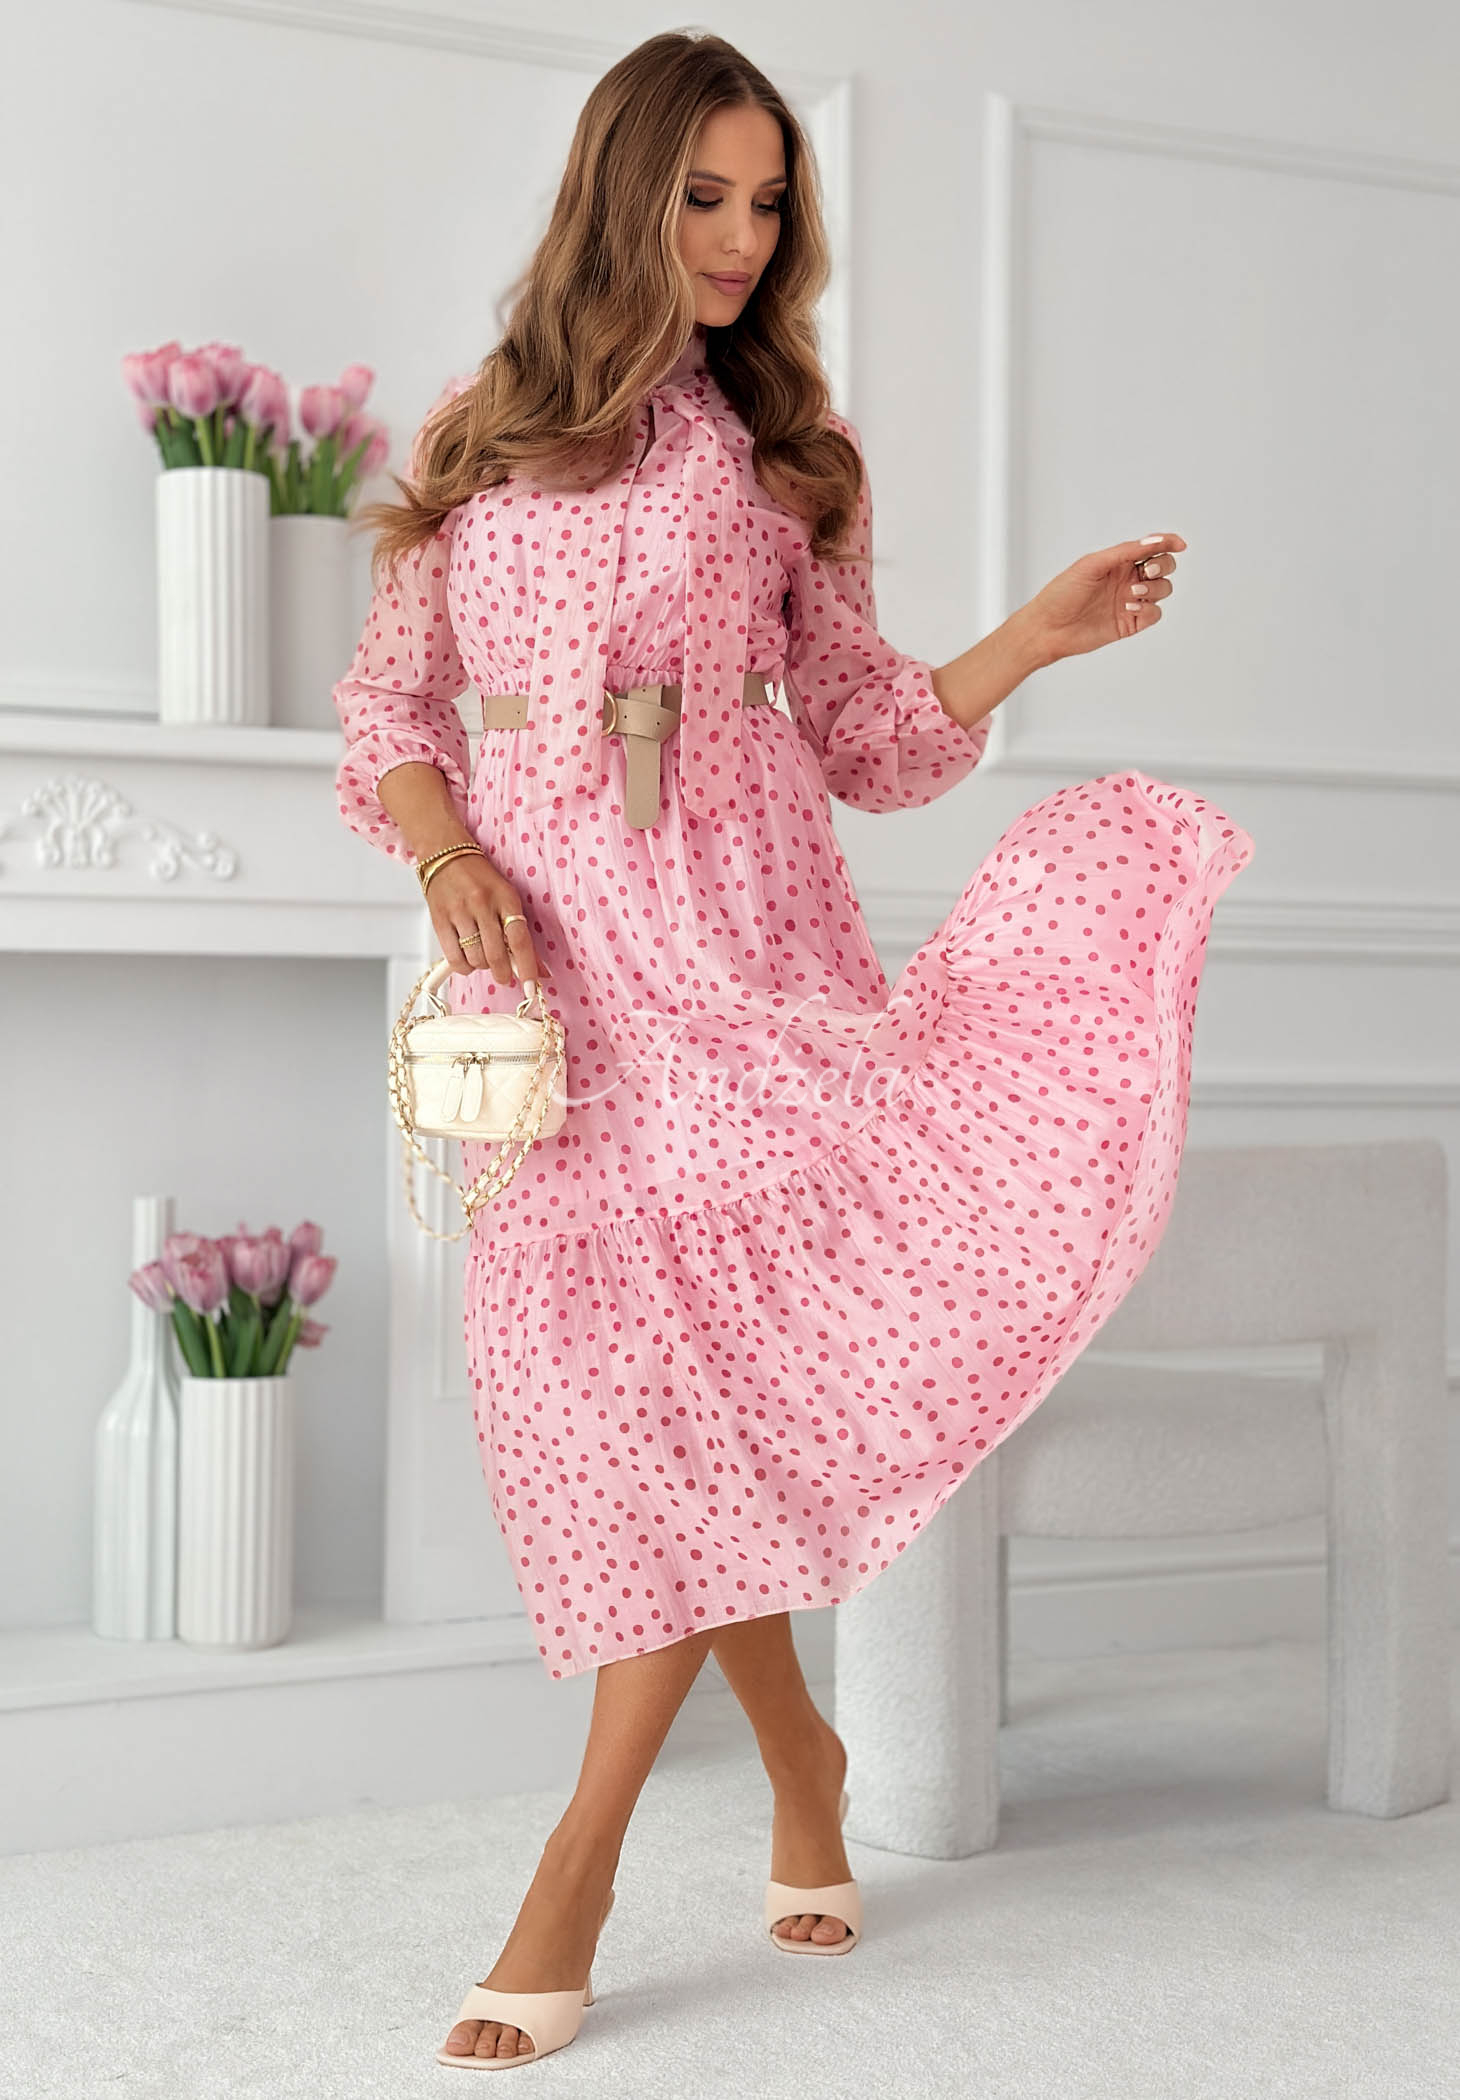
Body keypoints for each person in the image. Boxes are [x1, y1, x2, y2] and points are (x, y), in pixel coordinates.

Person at [332, 27, 1255, 2072]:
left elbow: (868, 741)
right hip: (558, 990)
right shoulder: (485, 430)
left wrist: (1030, 636)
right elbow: (389, 717)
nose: (743, 237)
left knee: (707, 1396)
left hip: (751, 969)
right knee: (640, 1417)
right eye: (705, 196)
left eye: (769, 203)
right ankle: (805, 1761)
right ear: (623, 192)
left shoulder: (785, 444)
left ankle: (573, 1872)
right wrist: (448, 863)